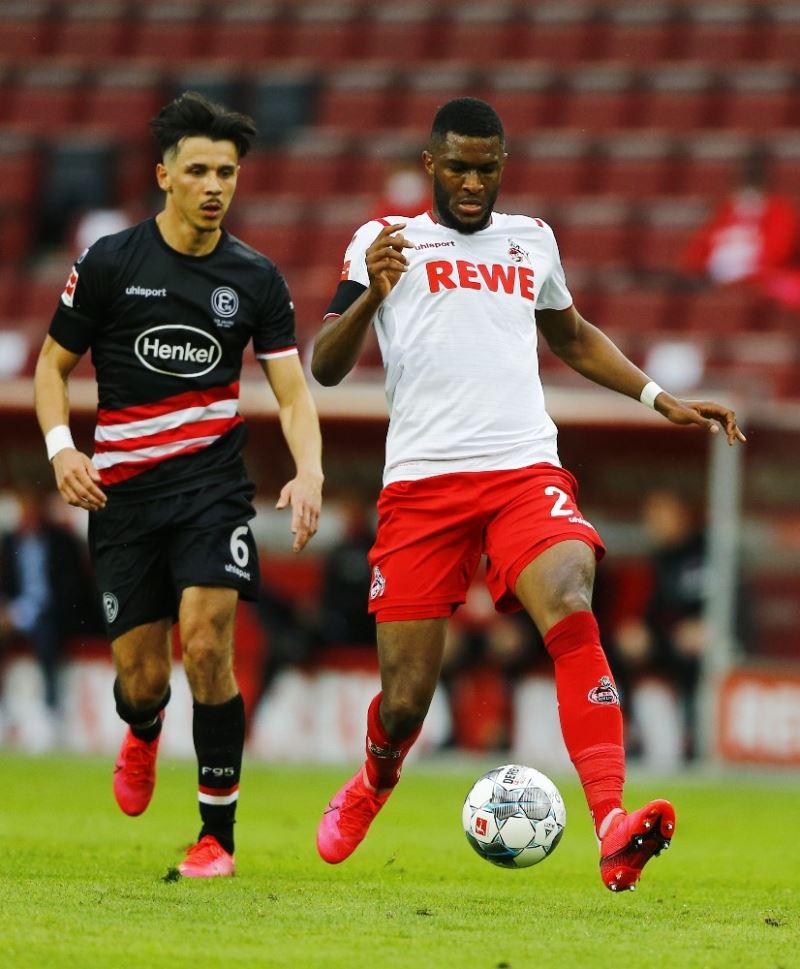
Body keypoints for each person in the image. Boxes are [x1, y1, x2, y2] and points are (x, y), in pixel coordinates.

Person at [311, 97, 745, 893]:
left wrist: (658, 397)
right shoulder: (383, 240)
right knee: (404, 701)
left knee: (572, 594)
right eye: (458, 167)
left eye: (487, 168)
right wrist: (371, 292)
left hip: (522, 470)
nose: (473, 183)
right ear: (430, 164)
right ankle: (375, 776)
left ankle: (611, 825)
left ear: (502, 165)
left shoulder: (532, 239)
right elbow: (325, 365)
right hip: (423, 483)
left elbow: (571, 334)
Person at [33, 92, 323, 878]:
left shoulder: (254, 278)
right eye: (197, 170)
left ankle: (215, 838)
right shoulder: (111, 263)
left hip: (211, 490)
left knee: (206, 643)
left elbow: (292, 393)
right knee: (143, 677)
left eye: (226, 171)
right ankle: (143, 724)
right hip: (122, 497)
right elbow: (52, 368)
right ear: (164, 175)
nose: (213, 185)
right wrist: (62, 450)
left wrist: (309, 469)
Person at [0, 481, 101, 725]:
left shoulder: (61, 541)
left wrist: (29, 611)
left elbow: (70, 590)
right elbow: (6, 583)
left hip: (52, 612)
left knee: (46, 634)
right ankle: (3, 709)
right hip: (19, 612)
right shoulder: (10, 541)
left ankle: (51, 709)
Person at [680, 145, 800, 307]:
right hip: (717, 283)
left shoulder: (779, 211)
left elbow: (779, 250)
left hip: (761, 282)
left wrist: (749, 276)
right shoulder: (726, 212)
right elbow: (697, 253)